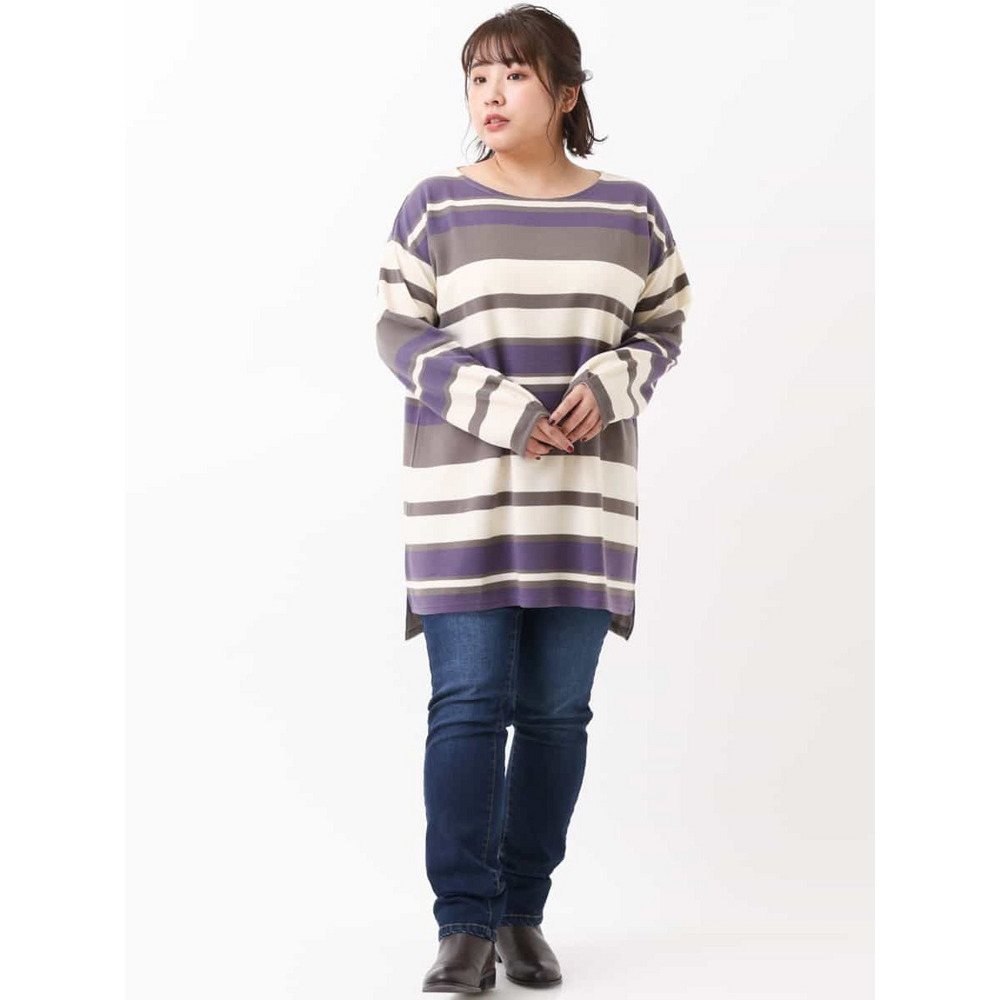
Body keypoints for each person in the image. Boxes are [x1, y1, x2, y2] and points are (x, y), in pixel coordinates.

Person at [374, 4, 692, 992]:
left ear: (565, 93)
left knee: (557, 715)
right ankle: (462, 925)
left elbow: (663, 325)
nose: (491, 94)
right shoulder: (435, 205)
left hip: (582, 506)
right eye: (477, 77)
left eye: (513, 75)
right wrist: (511, 412)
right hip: (464, 500)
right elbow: (399, 333)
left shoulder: (631, 211)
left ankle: (522, 914)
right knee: (468, 707)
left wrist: (608, 384)